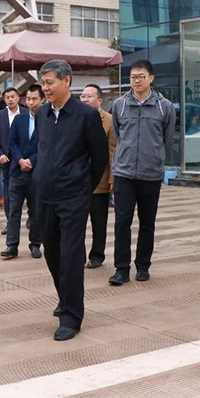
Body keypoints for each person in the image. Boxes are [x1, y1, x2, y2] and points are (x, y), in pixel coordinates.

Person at [34, 60, 108, 341]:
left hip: (74, 197)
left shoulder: (86, 115)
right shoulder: (42, 114)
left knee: (71, 255)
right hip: (45, 196)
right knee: (51, 252)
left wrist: (83, 187)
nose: (45, 88)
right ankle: (65, 297)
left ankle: (71, 316)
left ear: (66, 81)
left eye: (50, 82)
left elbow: (99, 157)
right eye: (43, 83)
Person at [108, 61, 175, 285]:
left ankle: (143, 266)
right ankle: (121, 269)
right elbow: (118, 134)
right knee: (122, 222)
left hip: (150, 173)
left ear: (151, 78)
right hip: (124, 173)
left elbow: (166, 138)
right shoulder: (120, 105)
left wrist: (153, 155)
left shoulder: (164, 106)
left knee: (147, 223)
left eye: (141, 76)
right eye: (133, 77)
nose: (137, 81)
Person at [2, 85, 45, 259]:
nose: (30, 102)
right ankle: (11, 245)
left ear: (42, 100)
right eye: (28, 99)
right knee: (14, 211)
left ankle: (35, 243)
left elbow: (47, 145)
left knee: (36, 211)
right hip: (17, 171)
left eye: (34, 99)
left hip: (36, 173)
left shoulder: (47, 120)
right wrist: (20, 160)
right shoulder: (19, 119)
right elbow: (12, 143)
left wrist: (32, 161)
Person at [80, 84, 116, 269]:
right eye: (83, 96)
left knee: (99, 221)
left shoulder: (109, 120)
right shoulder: (76, 117)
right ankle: (77, 254)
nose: (85, 100)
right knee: (76, 222)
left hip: (100, 180)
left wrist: (112, 179)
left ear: (99, 100)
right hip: (77, 180)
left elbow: (112, 151)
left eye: (89, 96)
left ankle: (97, 254)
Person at [0, 88, 22, 232]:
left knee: (30, 191)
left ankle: (32, 220)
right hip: (6, 160)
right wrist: (0, 154)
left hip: (24, 159)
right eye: (7, 97)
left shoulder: (26, 113)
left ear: (18, 98)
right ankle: (10, 222)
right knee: (8, 192)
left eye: (12, 96)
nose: (10, 99)